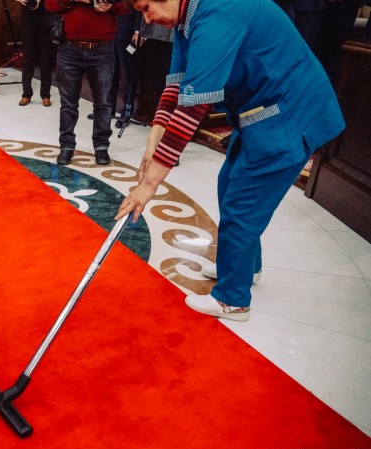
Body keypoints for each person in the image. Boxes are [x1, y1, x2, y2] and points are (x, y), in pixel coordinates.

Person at [115, 0, 345, 321]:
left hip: (289, 115)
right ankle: (244, 268)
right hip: (260, 115)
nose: (147, 18)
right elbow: (177, 87)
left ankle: (233, 299)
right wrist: (152, 143)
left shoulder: (217, 14)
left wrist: (149, 185)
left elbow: (192, 110)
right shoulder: (185, 19)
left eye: (146, 7)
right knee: (229, 186)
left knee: (242, 205)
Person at [45, 0, 129, 167]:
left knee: (103, 102)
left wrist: (111, 6)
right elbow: (50, 5)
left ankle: (101, 146)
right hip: (69, 48)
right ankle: (67, 145)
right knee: (68, 103)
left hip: (103, 49)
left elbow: (126, 7)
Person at [16, 0, 54, 107]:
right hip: (27, 16)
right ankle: (26, 94)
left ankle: (46, 95)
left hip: (45, 15)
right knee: (28, 58)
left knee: (46, 58)